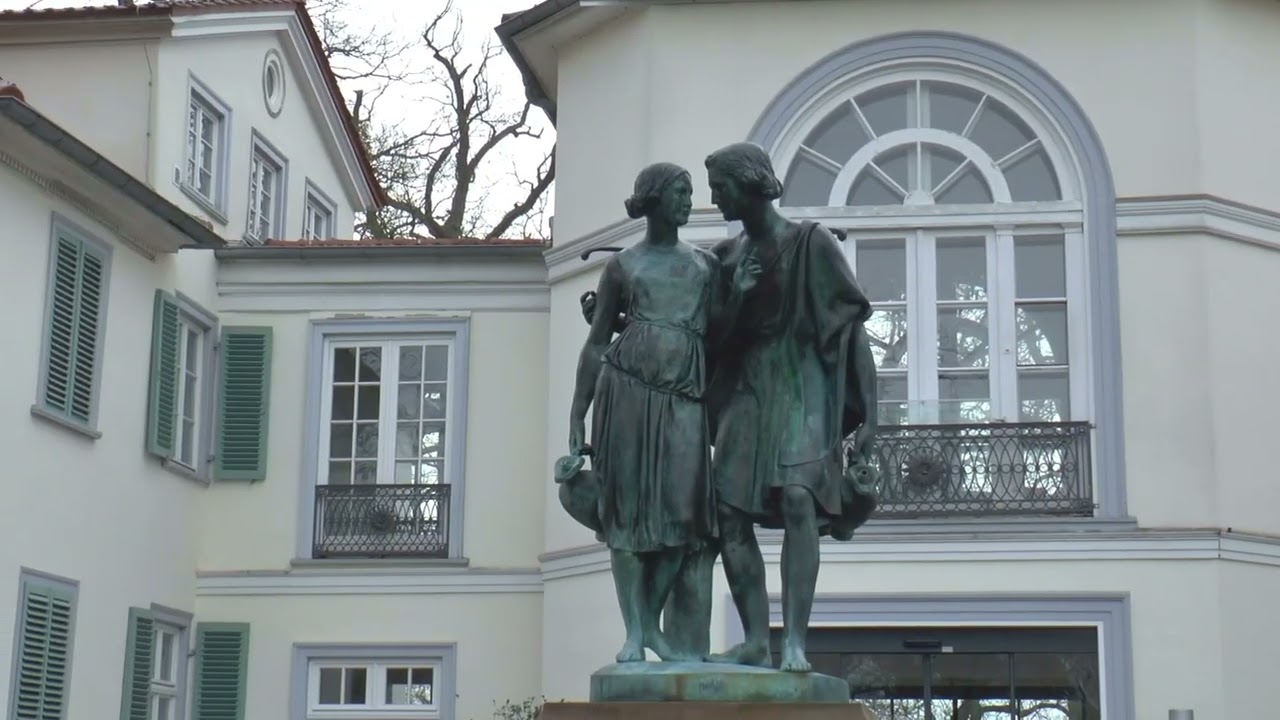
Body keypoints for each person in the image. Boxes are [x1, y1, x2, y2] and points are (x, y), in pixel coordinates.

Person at [696, 142, 879, 673]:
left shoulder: (811, 244)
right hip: (747, 389)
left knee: (800, 498)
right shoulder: (724, 259)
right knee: (729, 511)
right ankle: (756, 639)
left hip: (803, 384)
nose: (715, 199)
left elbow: (851, 332)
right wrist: (737, 298)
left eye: (720, 188)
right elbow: (711, 341)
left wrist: (871, 414)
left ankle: (794, 642)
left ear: (750, 184)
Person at [568, 162, 742, 663]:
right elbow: (597, 343)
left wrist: (743, 293)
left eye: (691, 193)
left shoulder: (705, 266)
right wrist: (577, 414)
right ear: (654, 198)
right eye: (680, 192)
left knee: (687, 519)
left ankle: (649, 622)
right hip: (626, 396)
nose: (689, 201)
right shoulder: (622, 267)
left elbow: (722, 337)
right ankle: (635, 633)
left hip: (684, 399)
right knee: (624, 515)